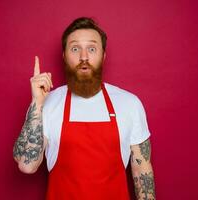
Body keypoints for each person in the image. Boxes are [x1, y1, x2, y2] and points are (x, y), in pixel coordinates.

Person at [13, 17, 156, 200]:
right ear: (64, 56)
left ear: (103, 56)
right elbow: (27, 165)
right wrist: (37, 103)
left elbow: (141, 169)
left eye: (91, 48)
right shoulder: (46, 104)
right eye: (75, 49)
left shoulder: (129, 103)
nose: (84, 57)